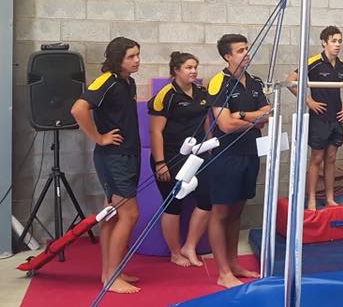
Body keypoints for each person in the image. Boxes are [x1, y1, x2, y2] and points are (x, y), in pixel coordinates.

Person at [70, 37, 142, 294]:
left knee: (111, 214)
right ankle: (111, 276)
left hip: (128, 154)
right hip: (114, 157)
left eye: (137, 55)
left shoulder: (127, 82)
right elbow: (78, 110)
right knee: (130, 214)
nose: (136, 61)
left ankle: (111, 271)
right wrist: (98, 138)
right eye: (130, 57)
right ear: (117, 59)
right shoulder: (106, 80)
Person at [205, 34, 271, 288]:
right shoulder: (217, 82)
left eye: (247, 48)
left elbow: (267, 114)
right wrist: (252, 120)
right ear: (227, 56)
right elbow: (225, 124)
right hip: (226, 155)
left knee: (237, 212)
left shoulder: (255, 82)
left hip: (249, 153)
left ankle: (233, 263)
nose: (246, 53)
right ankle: (222, 272)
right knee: (220, 212)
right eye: (241, 50)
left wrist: (242, 115)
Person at [147, 51, 212, 267]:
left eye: (195, 67)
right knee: (173, 204)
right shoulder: (166, 95)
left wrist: (208, 147)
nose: (193, 71)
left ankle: (189, 246)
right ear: (176, 70)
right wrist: (160, 162)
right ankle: (175, 252)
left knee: (206, 201)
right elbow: (155, 132)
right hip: (171, 157)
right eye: (188, 67)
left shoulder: (202, 92)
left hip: (197, 157)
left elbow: (205, 123)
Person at [287, 25, 343, 209]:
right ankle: (310, 198)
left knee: (331, 157)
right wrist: (308, 101)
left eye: (340, 41)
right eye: (334, 41)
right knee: (316, 158)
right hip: (319, 118)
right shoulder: (314, 62)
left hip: (336, 118)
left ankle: (330, 197)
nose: (337, 44)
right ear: (324, 42)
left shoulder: (342, 66)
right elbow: (290, 81)